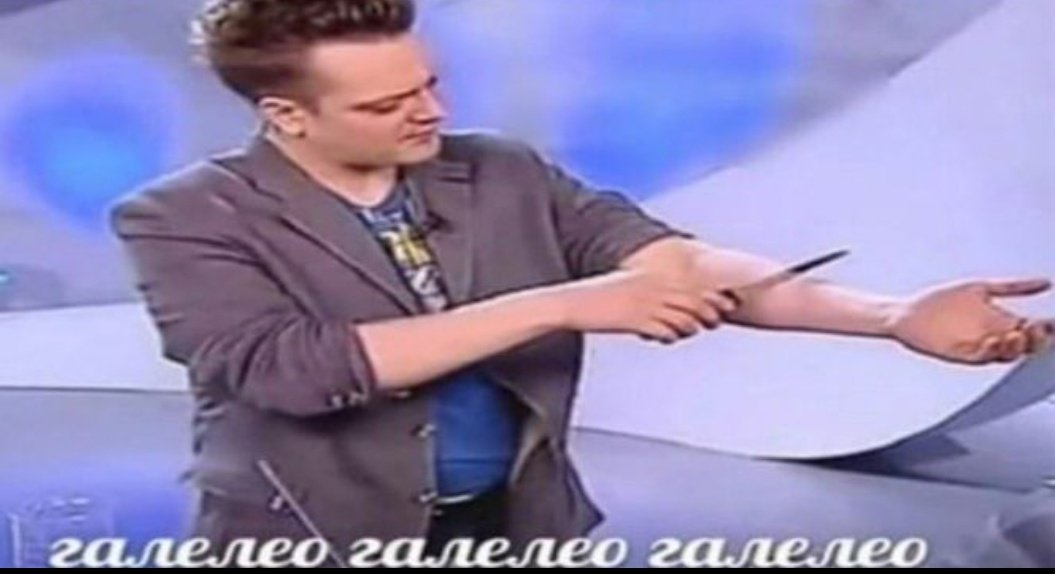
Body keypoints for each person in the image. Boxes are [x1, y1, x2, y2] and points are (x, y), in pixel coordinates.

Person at [110, 0, 1052, 562]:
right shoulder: (181, 214)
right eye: (389, 103)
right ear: (287, 116)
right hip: (310, 538)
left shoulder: (500, 169)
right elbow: (292, 371)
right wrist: (568, 303)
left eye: (429, 83)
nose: (429, 111)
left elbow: (670, 259)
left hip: (515, 525)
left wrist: (893, 318)